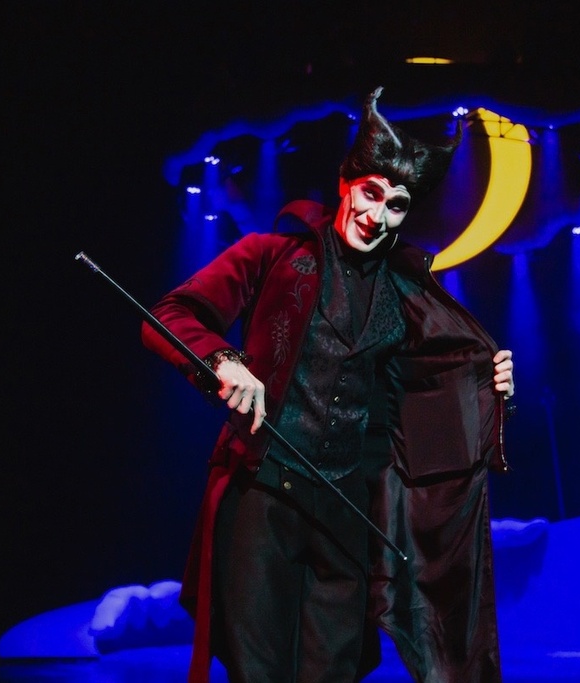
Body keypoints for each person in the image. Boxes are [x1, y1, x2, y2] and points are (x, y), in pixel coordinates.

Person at [142, 86, 515, 683]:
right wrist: (223, 361)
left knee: (333, 670)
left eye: (397, 205)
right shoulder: (270, 254)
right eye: (371, 193)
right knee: (259, 669)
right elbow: (169, 315)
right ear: (346, 184)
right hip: (262, 495)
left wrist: (489, 386)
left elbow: (434, 393)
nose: (378, 215)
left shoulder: (408, 295)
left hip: (347, 511)